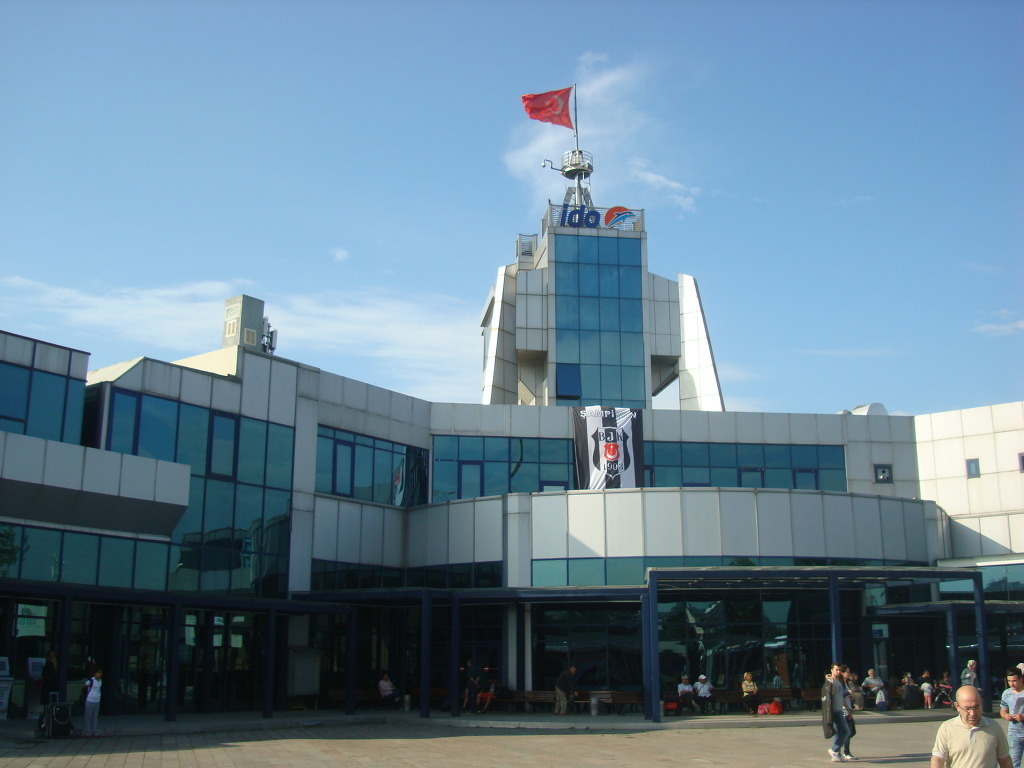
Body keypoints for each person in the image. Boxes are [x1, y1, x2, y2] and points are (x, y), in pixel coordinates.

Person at [931, 684, 1011, 768]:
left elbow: (1005, 760)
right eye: (967, 709)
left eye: (976, 707)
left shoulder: (994, 727)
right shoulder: (947, 728)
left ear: (981, 702)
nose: (972, 713)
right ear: (957, 706)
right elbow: (938, 759)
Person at [822, 662, 852, 763]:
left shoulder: (839, 682)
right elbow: (828, 694)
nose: (838, 672)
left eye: (839, 670)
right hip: (834, 711)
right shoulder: (830, 681)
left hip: (840, 709)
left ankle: (836, 754)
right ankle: (834, 749)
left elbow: (841, 697)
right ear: (832, 670)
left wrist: (847, 709)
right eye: (836, 670)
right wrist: (828, 679)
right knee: (846, 731)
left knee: (839, 732)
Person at [1000, 667, 1024, 768]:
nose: (1011, 684)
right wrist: (1006, 715)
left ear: (1021, 679)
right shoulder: (1006, 693)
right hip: (1014, 734)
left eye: (1014, 681)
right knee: (1013, 763)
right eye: (1009, 681)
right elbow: (1003, 710)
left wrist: (1022, 716)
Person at [82, 668, 103, 738]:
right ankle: (87, 732)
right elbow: (84, 686)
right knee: (88, 716)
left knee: (95, 717)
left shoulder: (100, 681)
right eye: (98, 673)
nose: (100, 674)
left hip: (97, 700)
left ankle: (94, 731)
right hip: (90, 700)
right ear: (95, 674)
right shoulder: (91, 681)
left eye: (100, 673)